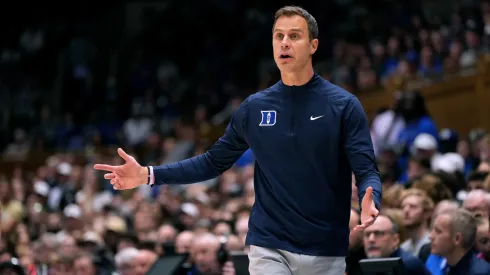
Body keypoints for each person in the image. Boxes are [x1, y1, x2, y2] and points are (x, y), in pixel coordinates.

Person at [94, 5, 382, 275]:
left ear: (313, 46)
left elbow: (366, 168)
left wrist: (372, 196)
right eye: (278, 36)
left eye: (294, 36)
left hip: (325, 245)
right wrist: (148, 174)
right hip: (269, 242)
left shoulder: (343, 105)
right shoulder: (254, 107)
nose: (284, 43)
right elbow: (213, 162)